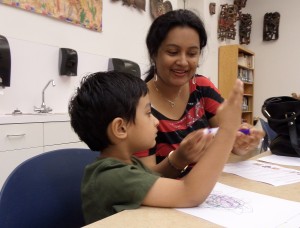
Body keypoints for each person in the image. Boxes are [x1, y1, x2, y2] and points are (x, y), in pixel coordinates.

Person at [68, 71, 244, 224]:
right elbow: (190, 193)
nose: (156, 121)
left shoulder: (128, 164)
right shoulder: (114, 176)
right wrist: (227, 130)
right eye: (147, 113)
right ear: (120, 128)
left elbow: (155, 181)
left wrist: (181, 157)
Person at [134, 9, 265, 175]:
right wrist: (179, 158)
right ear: (154, 53)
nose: (183, 62)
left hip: (210, 189)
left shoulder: (202, 87)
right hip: (166, 198)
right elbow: (144, 180)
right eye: (173, 52)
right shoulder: (138, 103)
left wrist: (240, 142)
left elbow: (230, 133)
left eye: (192, 53)